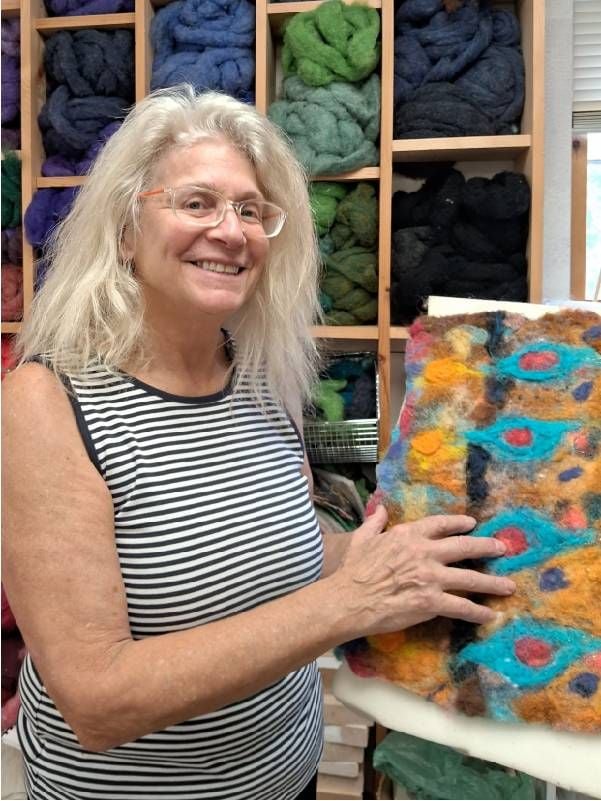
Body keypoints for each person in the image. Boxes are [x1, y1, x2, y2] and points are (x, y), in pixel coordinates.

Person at [2, 85, 515, 800]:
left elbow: (274, 552)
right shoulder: (45, 400)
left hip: (286, 771)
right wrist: (355, 600)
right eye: (196, 202)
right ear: (124, 230)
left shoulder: (259, 376)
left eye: (250, 210)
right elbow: (97, 698)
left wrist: (391, 553)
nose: (231, 229)